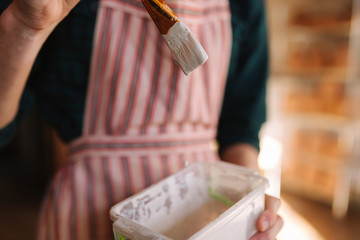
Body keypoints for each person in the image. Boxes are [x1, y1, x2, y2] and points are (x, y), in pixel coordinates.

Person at [0, 0, 283, 239]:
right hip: (86, 211)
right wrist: (25, 25)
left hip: (208, 217)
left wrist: (248, 207)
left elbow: (241, 127)